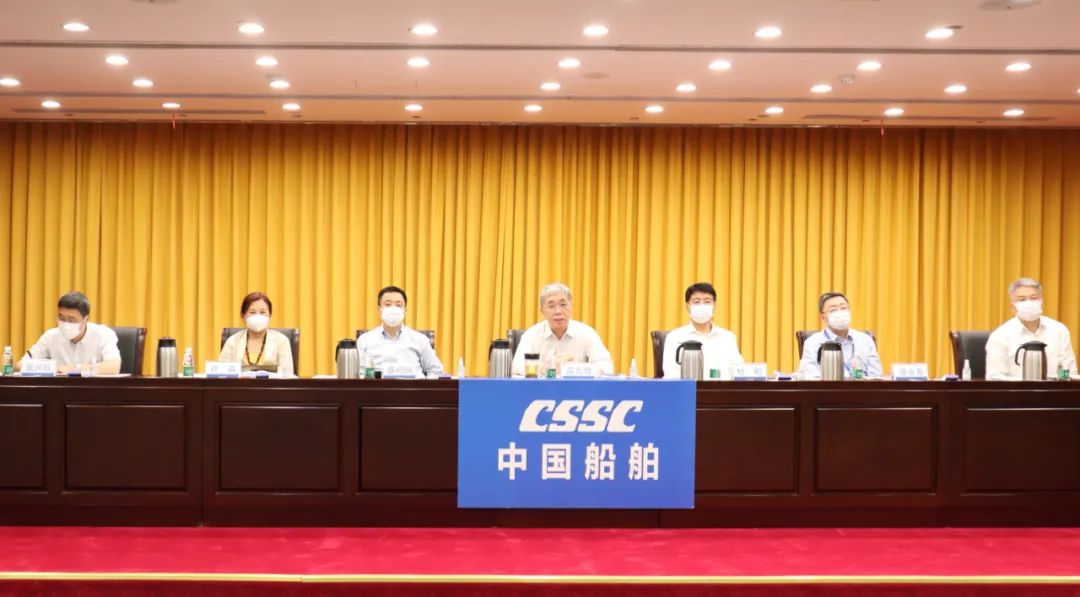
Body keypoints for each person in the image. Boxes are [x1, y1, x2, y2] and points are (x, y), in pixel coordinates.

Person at [512, 282, 614, 376]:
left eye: (563, 304)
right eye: (551, 306)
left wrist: (573, 369)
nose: (558, 311)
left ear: (571, 307)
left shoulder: (587, 333)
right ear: (542, 311)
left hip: (576, 389)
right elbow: (517, 368)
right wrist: (549, 369)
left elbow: (606, 367)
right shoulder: (531, 335)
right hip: (541, 389)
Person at [986, 278, 1077, 380]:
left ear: (1042, 303)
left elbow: (1070, 373)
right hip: (1015, 390)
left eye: (1034, 298)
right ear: (1013, 307)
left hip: (1052, 389)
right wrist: (1025, 384)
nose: (1029, 303)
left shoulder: (1059, 330)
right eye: (1022, 299)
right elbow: (995, 377)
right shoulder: (1000, 336)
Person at [19, 291, 122, 375]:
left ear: (86, 319)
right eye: (61, 318)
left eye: (71, 320)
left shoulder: (103, 334)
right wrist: (50, 368)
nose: (65, 323)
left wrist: (74, 369)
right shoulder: (50, 336)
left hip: (93, 391)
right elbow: (21, 365)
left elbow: (113, 366)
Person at [356, 286, 444, 376]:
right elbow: (360, 374)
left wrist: (425, 384)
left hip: (413, 385)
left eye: (398, 305)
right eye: (388, 304)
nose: (393, 308)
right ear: (379, 309)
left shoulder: (420, 340)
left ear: (405, 310)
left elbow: (436, 370)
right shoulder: (365, 340)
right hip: (379, 385)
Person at [663, 282, 744, 378]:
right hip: (688, 387)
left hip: (721, 387)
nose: (702, 306)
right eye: (696, 302)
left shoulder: (728, 337)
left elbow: (739, 372)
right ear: (687, 307)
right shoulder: (674, 337)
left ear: (714, 306)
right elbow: (671, 375)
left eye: (707, 301)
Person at [797, 291, 882, 378]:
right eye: (833, 310)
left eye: (843, 308)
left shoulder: (866, 340)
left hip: (862, 386)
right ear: (823, 318)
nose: (840, 312)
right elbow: (811, 377)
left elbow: (876, 376)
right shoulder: (812, 343)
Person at [219, 292, 294, 376]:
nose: (258, 316)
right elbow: (221, 374)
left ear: (270, 315)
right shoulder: (232, 341)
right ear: (243, 316)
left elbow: (287, 375)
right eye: (252, 312)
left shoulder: (281, 341)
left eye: (263, 312)